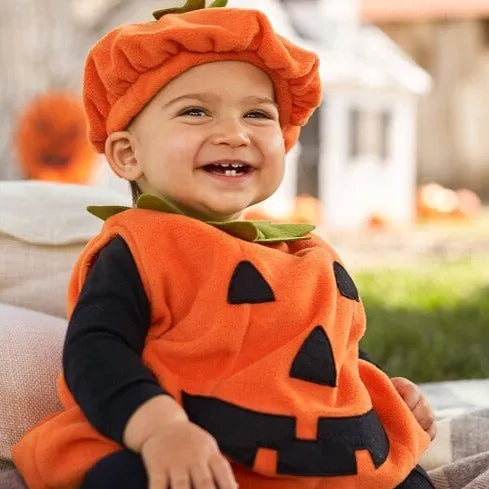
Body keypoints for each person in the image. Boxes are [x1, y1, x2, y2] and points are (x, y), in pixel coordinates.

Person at [13, 2, 436, 489]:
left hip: (313, 457)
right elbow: (95, 351)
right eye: (195, 111)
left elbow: (317, 355)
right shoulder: (142, 246)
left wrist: (378, 387)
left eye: (257, 114)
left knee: (405, 475)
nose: (234, 133)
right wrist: (159, 430)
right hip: (188, 448)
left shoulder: (307, 254)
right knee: (128, 476)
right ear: (128, 154)